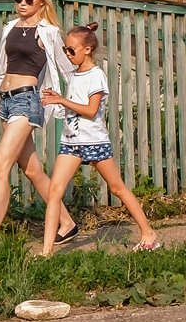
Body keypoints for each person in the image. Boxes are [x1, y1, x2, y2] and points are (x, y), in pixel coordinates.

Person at [0, 0, 78, 254]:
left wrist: (76, 103)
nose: (23, 3)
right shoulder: (10, 28)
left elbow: (68, 71)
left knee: (0, 167)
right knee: (31, 170)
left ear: (41, 1)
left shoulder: (48, 32)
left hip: (27, 103)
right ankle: (67, 223)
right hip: (4, 103)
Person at [38, 23, 159, 256]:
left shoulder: (96, 76)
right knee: (54, 191)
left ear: (88, 50)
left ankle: (147, 232)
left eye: (72, 50)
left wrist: (62, 101)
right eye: (66, 49)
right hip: (71, 142)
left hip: (94, 141)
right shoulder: (73, 74)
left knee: (117, 188)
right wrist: (58, 97)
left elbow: (92, 110)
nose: (68, 54)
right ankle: (46, 251)